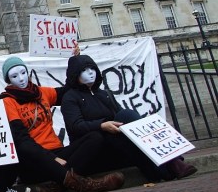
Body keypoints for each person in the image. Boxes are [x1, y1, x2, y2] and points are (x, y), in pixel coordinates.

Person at [0, 56, 125, 192]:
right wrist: (51, 158)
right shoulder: (7, 101)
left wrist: (75, 60)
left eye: (23, 73)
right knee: (24, 149)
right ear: (8, 80)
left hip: (58, 152)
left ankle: (55, 188)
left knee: (95, 137)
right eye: (14, 76)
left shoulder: (41, 92)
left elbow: (68, 89)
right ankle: (87, 185)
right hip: (35, 158)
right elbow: (22, 141)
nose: (21, 79)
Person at [61, 54, 197, 181]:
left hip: (114, 140)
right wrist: (102, 125)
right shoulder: (70, 98)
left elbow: (121, 117)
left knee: (127, 117)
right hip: (95, 147)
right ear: (75, 74)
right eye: (84, 70)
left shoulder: (105, 94)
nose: (90, 72)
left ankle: (169, 165)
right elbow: (75, 126)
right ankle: (171, 165)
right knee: (126, 121)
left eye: (92, 68)